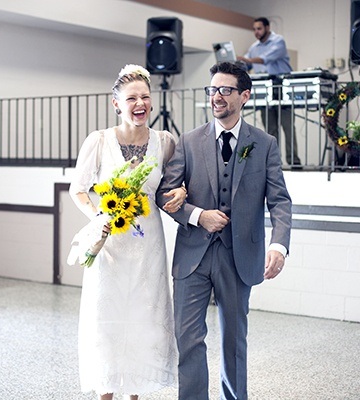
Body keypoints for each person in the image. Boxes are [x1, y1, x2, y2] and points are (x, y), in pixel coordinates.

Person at [156, 61, 292, 400]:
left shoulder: (264, 144)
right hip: (192, 257)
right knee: (188, 339)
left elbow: (280, 201)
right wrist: (198, 215)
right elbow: (165, 195)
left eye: (225, 90)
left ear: (244, 96)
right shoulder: (187, 141)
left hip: (239, 257)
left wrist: (279, 246)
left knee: (234, 341)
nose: (216, 96)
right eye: (212, 89)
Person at [69, 64, 186, 400]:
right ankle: (105, 394)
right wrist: (98, 216)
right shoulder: (99, 140)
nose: (140, 104)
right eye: (131, 98)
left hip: (149, 246)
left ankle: (134, 395)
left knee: (142, 322)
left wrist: (183, 193)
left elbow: (171, 188)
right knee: (106, 319)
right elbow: (78, 189)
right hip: (110, 247)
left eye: (145, 97)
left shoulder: (165, 142)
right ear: (116, 103)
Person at [237, 17, 302, 167]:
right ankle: (275, 164)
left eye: (259, 28)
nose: (256, 32)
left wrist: (247, 60)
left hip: (281, 85)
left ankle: (294, 162)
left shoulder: (278, 41)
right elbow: (246, 65)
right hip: (265, 88)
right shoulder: (254, 46)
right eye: (254, 29)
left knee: (287, 126)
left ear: (267, 27)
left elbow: (264, 59)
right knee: (270, 128)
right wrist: (236, 63)